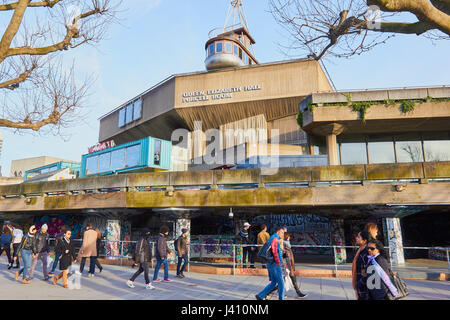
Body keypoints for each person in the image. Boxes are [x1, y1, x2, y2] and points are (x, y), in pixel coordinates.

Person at [255, 226, 285, 301]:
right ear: (278, 232)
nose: (283, 234)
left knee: (274, 282)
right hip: (275, 263)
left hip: (269, 262)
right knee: (281, 283)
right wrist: (279, 263)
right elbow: (275, 252)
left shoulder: (272, 237)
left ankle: (260, 296)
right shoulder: (275, 239)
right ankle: (281, 298)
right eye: (282, 232)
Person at [283, 232, 308, 298]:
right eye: (289, 236)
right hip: (287, 266)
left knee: (288, 280)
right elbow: (288, 258)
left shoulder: (286, 245)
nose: (290, 237)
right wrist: (290, 268)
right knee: (285, 280)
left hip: (288, 266)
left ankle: (298, 293)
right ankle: (298, 293)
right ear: (286, 237)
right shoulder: (285, 246)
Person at [352, 230, 372, 300]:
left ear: (364, 240)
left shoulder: (366, 252)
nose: (356, 238)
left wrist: (359, 285)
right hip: (360, 284)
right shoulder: (359, 250)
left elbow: (367, 272)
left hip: (365, 287)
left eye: (358, 237)